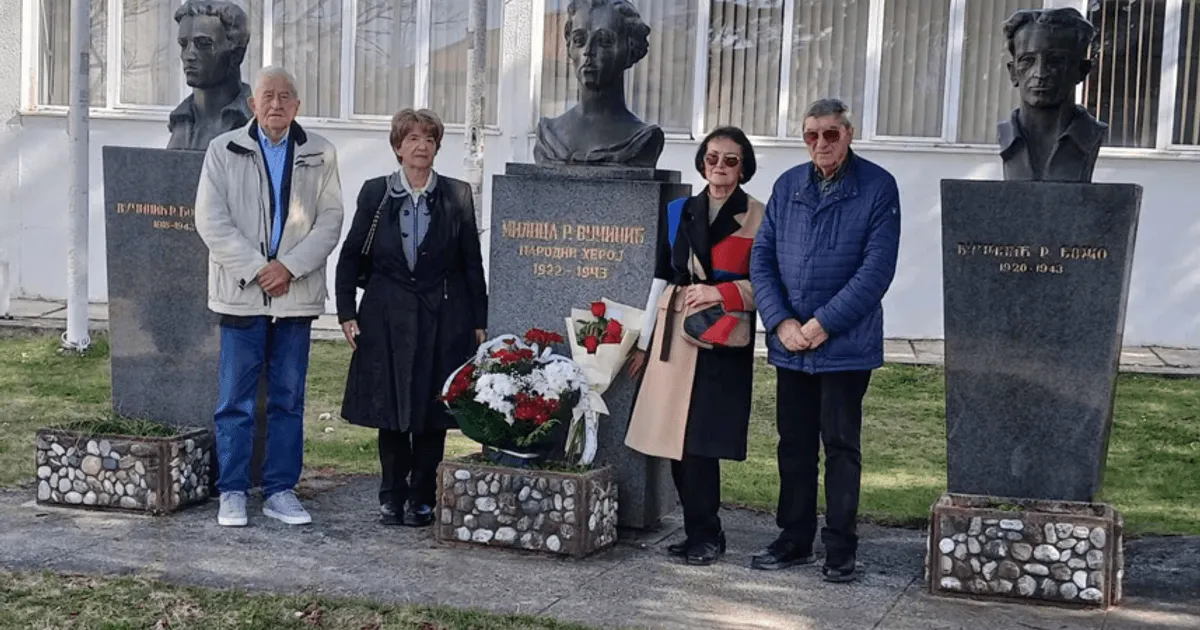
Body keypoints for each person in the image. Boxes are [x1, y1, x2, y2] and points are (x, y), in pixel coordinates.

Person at [748, 98, 901, 582]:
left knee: (840, 446)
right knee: (793, 446)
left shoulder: (878, 186)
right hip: (791, 343)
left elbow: (876, 271)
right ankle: (794, 539)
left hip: (844, 346)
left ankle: (840, 547)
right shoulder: (788, 185)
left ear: (849, 134)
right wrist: (781, 323)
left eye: (830, 134)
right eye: (811, 135)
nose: (820, 144)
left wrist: (821, 325)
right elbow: (762, 259)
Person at [195, 66, 345, 527]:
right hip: (242, 295)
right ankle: (233, 491)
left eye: (285, 96)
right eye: (268, 96)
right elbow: (211, 220)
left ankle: (281, 490)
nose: (276, 104)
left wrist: (289, 268)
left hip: (295, 297)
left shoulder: (320, 152)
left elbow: (330, 221)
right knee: (235, 401)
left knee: (288, 399)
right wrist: (258, 269)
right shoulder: (223, 150)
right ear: (252, 105)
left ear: (297, 105)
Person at [335, 108, 488, 527]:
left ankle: (422, 497)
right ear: (398, 147)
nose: (422, 146)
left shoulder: (457, 194)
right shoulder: (376, 192)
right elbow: (350, 255)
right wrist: (346, 311)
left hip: (442, 317)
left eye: (429, 139)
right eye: (413, 139)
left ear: (437, 147)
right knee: (390, 408)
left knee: (431, 410)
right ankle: (391, 496)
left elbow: (471, 263)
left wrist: (479, 319)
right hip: (386, 315)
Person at [624, 127, 764, 566]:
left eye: (730, 160)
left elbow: (767, 282)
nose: (719, 166)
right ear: (702, 162)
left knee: (703, 441)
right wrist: (644, 342)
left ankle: (708, 533)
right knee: (675, 440)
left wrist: (722, 293)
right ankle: (696, 530)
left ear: (744, 167)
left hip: (722, 334)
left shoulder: (759, 216)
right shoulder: (678, 211)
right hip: (676, 333)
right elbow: (661, 276)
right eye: (712, 157)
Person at [998, 7, 1106, 182]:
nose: (1040, 74)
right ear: (1013, 73)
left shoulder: (1091, 133)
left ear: (1081, 71)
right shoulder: (1006, 135)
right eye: (1027, 60)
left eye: (1055, 60)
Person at [169, 0, 255, 151]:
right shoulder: (180, 120)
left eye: (203, 44)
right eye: (183, 44)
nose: (188, 55)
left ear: (237, 53)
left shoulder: (256, 123)